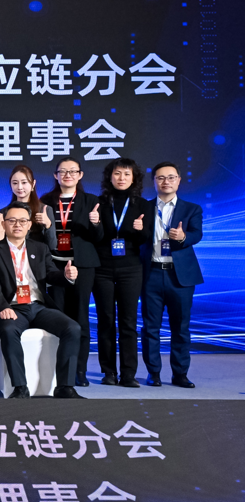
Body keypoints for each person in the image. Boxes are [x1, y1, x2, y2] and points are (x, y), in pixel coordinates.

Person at [0, 202, 85, 399]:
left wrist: (66, 276)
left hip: (38, 306)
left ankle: (65, 387)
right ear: (3, 224)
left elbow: (51, 274)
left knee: (72, 328)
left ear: (29, 225)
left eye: (22, 221)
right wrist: (2, 307)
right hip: (12, 308)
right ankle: (20, 387)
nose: (17, 225)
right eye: (12, 220)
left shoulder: (40, 248)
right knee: (9, 330)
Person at [39, 157, 104, 387]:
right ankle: (58, 370)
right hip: (54, 265)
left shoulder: (91, 201)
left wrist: (96, 223)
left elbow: (99, 238)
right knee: (57, 316)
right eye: (62, 171)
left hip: (82, 265)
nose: (67, 175)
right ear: (55, 175)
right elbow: (40, 238)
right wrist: (44, 225)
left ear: (80, 175)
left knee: (81, 317)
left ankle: (80, 370)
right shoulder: (46, 201)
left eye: (72, 171)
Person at [141, 162, 203, 389]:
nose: (165, 182)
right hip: (151, 274)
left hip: (180, 277)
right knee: (150, 327)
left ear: (178, 180)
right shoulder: (143, 208)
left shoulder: (192, 208)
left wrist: (183, 237)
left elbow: (197, 234)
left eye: (170, 177)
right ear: (154, 181)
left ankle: (180, 374)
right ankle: (153, 373)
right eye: (160, 178)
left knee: (181, 327)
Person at [95, 158, 153, 387]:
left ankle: (128, 373)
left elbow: (145, 239)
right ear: (109, 177)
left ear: (134, 178)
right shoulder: (99, 202)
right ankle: (108, 372)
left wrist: (140, 230)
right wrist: (95, 224)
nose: (122, 178)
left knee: (128, 321)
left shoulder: (142, 205)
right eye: (117, 173)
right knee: (106, 320)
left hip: (131, 267)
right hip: (102, 268)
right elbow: (96, 237)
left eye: (127, 174)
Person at [7, 165, 56, 250]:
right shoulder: (5, 211)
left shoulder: (44, 209)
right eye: (15, 183)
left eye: (24, 182)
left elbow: (52, 246)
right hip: (12, 256)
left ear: (33, 184)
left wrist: (48, 224)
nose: (19, 187)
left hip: (37, 256)